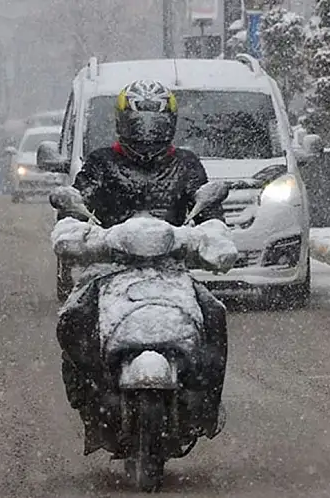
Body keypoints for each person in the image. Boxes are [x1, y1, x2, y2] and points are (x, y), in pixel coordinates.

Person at [55, 79, 228, 455]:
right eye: (139, 124)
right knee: (73, 317)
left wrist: (215, 237)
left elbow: (208, 211)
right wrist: (72, 228)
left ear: (171, 124)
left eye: (156, 124)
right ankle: (90, 398)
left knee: (214, 314)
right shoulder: (102, 163)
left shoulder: (186, 164)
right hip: (109, 269)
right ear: (122, 123)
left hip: (172, 269)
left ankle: (204, 405)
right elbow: (77, 203)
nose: (147, 134)